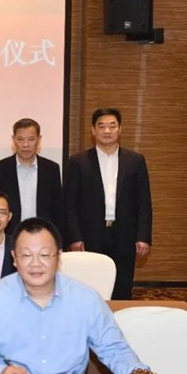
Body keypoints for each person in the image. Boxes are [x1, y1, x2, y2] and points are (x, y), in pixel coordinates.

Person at [0, 217, 164, 374]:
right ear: (14, 258)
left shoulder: (85, 298)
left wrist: (137, 372)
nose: (36, 264)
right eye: (26, 255)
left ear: (59, 257)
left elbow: (113, 348)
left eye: (44, 255)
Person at [64, 108, 152, 299]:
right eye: (101, 126)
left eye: (112, 126)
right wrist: (74, 237)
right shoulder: (78, 162)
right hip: (90, 235)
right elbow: (69, 205)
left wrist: (143, 236)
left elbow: (144, 202)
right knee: (90, 288)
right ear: (93, 130)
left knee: (122, 288)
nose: (107, 131)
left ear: (120, 129)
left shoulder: (135, 160)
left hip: (125, 234)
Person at [0, 118, 63, 235]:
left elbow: (57, 209)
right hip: (10, 235)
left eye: (31, 139)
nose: (25, 144)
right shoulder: (0, 169)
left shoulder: (51, 169)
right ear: (13, 139)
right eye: (20, 139)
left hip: (43, 234)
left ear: (39, 139)